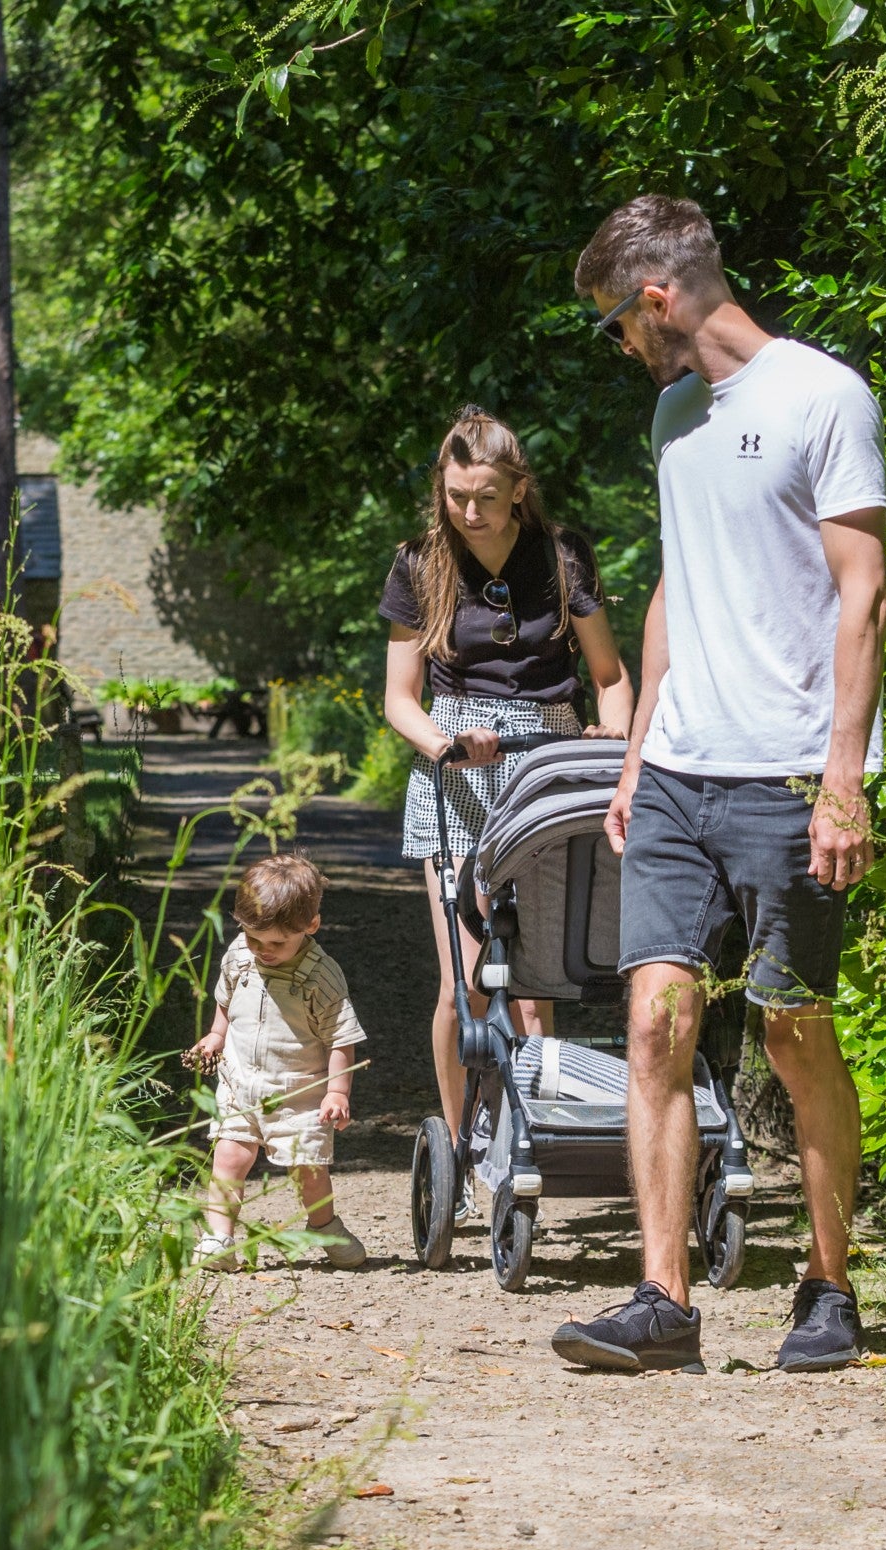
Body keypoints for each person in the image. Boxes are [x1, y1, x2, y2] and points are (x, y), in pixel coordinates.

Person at [547, 196, 886, 1374]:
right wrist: (634, 752)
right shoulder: (674, 415)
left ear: (656, 300)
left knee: (794, 1033)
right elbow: (672, 590)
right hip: (681, 772)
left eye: (614, 326)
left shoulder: (822, 396)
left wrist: (843, 779)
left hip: (788, 771)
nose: (619, 351)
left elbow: (864, 592)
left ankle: (830, 1286)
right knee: (654, 1022)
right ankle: (663, 1302)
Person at [378, 405, 635, 1166]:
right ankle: (460, 1144)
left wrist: (613, 736)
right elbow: (400, 697)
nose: (470, 512)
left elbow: (609, 677)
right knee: (468, 979)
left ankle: (534, 1135)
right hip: (459, 773)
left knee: (536, 976)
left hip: (547, 759)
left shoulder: (561, 556)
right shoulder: (419, 564)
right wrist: (447, 742)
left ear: (518, 489)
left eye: (487, 497)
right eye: (457, 496)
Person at [187, 853, 370, 1271]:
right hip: (240, 1083)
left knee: (308, 1169)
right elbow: (225, 997)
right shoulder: (239, 954)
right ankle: (220, 1239)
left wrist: (337, 1091)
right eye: (254, 938)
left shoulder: (321, 976)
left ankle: (325, 1225)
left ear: (311, 926)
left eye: (276, 943)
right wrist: (217, 1036)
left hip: (299, 1093)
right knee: (228, 1158)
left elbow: (341, 1037)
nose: (263, 950)